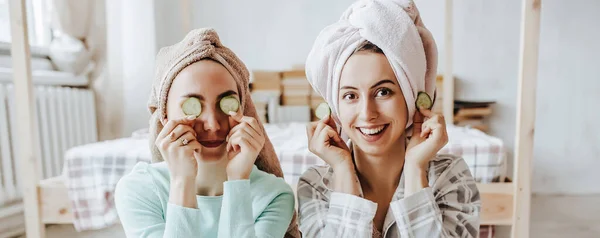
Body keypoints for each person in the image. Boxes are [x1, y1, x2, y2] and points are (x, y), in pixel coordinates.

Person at [297, 1, 481, 237]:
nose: (367, 113)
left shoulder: (450, 176)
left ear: (411, 96)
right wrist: (343, 171)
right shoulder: (315, 185)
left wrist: (416, 170)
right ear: (336, 108)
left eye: (383, 92)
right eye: (350, 95)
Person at [115, 28, 300, 238]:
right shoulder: (138, 190)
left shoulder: (274, 195)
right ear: (164, 116)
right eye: (192, 106)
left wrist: (238, 180)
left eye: (225, 104)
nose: (212, 124)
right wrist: (182, 181)